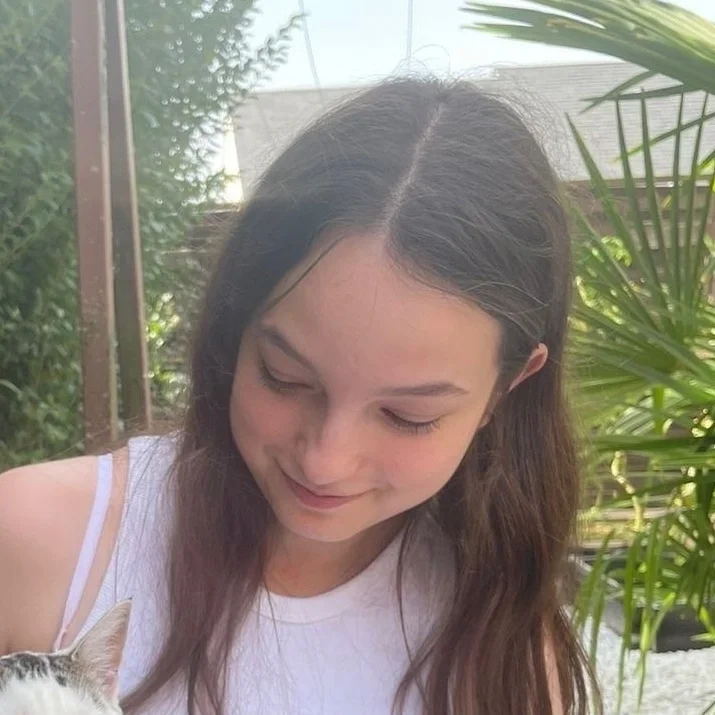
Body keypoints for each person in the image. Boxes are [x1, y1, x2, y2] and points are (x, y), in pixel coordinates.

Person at [0, 77, 597, 714]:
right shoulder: (37, 538)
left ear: (506, 389)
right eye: (284, 376)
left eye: (408, 416)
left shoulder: (505, 655)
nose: (325, 461)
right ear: (237, 326)